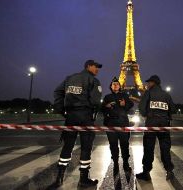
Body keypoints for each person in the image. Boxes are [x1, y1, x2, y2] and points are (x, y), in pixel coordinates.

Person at [52, 60, 102, 188]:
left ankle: (59, 177)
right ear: (88, 66)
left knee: (67, 145)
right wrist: (92, 109)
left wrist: (61, 109)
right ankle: (83, 179)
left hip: (71, 116)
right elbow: (96, 100)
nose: (97, 69)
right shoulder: (93, 81)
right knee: (86, 146)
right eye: (95, 66)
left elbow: (57, 92)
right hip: (86, 116)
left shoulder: (70, 78)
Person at [136, 75, 175, 181]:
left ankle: (146, 172)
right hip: (164, 124)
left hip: (152, 123)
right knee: (165, 148)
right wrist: (167, 117)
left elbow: (141, 107)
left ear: (153, 83)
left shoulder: (148, 93)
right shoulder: (166, 95)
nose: (147, 84)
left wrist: (146, 115)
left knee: (149, 148)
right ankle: (169, 170)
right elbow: (173, 108)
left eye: (149, 83)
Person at [102, 77, 134, 175]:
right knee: (113, 145)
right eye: (113, 84)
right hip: (111, 123)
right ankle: (115, 163)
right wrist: (106, 107)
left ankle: (125, 163)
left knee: (125, 145)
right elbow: (101, 109)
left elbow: (130, 105)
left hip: (123, 123)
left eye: (117, 84)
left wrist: (124, 104)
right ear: (111, 87)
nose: (115, 85)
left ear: (119, 86)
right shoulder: (107, 97)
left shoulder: (125, 95)